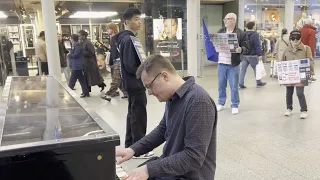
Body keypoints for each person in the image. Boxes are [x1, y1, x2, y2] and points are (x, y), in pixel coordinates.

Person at [116, 54, 217, 180]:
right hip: (173, 169)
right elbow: (162, 130)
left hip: (189, 175)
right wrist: (133, 149)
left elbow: (193, 157)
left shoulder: (198, 101)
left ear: (164, 76)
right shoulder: (173, 97)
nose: (149, 92)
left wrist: (149, 169)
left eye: (149, 86)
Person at [116, 8, 151, 154]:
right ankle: (139, 148)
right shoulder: (129, 40)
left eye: (140, 19)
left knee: (133, 113)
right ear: (127, 21)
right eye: (136, 19)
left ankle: (130, 144)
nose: (139, 22)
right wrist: (144, 69)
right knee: (139, 115)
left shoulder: (124, 38)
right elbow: (130, 66)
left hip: (130, 83)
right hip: (135, 83)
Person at [216, 13, 249, 115]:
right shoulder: (221, 31)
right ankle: (221, 102)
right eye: (224, 19)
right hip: (221, 62)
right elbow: (216, 43)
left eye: (228, 19)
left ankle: (234, 104)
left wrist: (241, 49)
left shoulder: (240, 33)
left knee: (234, 86)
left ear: (234, 20)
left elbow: (246, 47)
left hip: (233, 64)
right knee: (221, 85)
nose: (225, 21)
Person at [281, 30, 314, 119]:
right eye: (293, 38)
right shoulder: (286, 49)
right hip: (289, 74)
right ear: (290, 39)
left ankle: (304, 110)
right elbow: (282, 61)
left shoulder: (306, 48)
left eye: (297, 38)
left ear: (300, 39)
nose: (295, 40)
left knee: (300, 93)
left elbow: (310, 61)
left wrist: (311, 73)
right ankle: (289, 108)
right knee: (289, 93)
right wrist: (281, 75)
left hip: (302, 73)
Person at [101, 23, 127, 102]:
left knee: (116, 79)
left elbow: (118, 51)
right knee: (118, 79)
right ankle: (126, 93)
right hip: (116, 60)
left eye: (108, 29)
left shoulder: (115, 38)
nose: (107, 30)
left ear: (113, 29)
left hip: (118, 61)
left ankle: (108, 95)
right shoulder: (114, 38)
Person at [239, 21, 266, 89]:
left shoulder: (243, 34)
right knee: (256, 69)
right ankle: (258, 82)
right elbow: (257, 45)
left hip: (244, 55)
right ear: (253, 26)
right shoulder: (255, 34)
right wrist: (259, 54)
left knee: (243, 70)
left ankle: (240, 83)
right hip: (252, 55)